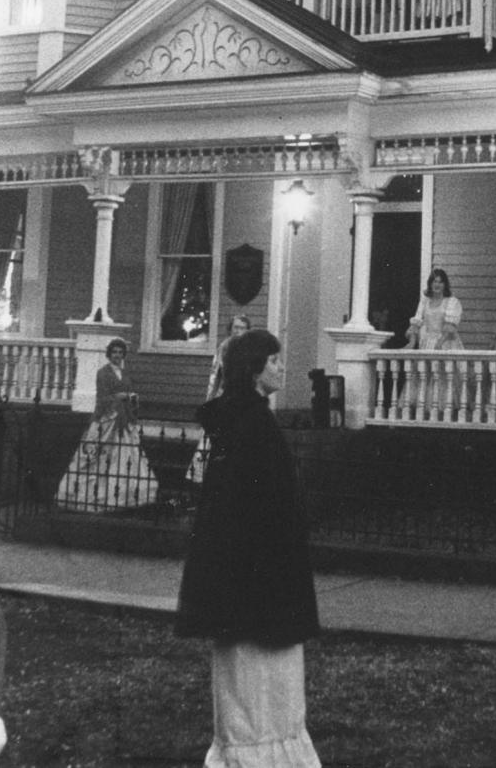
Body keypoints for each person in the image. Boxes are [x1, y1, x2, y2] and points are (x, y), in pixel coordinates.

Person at [176, 329, 321, 767]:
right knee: (256, 681)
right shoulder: (251, 425)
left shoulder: (245, 420)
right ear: (254, 371)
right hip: (258, 582)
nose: (281, 368)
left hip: (251, 578)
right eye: (274, 361)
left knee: (261, 681)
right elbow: (252, 510)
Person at [56, 337, 159, 512]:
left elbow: (128, 393)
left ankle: (125, 497)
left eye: (120, 352)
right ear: (109, 354)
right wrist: (118, 397)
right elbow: (102, 398)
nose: (117, 355)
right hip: (109, 418)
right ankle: (95, 496)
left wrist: (130, 397)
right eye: (114, 352)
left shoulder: (125, 374)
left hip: (124, 418)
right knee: (99, 457)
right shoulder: (103, 373)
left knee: (126, 457)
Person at [187, 314, 253, 485]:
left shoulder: (250, 350)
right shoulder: (224, 348)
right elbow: (215, 376)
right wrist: (211, 401)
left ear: (247, 331)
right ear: (230, 329)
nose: (238, 331)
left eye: (242, 328)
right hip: (225, 394)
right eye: (235, 327)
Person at [406, 268, 465, 350]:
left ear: (445, 285)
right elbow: (416, 324)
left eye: (440, 282)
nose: (437, 285)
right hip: (428, 343)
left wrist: (439, 344)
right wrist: (411, 343)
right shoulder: (425, 301)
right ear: (430, 283)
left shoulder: (452, 302)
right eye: (434, 281)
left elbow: (450, 328)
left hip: (445, 343)